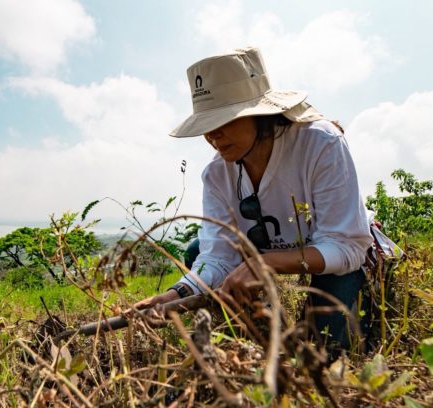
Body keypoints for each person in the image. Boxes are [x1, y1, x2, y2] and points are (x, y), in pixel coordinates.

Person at [135, 47, 373, 355]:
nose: (213, 135)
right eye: (207, 125)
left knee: (324, 350)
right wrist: (175, 294)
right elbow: (217, 256)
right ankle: (256, 326)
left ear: (259, 114)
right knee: (196, 250)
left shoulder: (320, 144)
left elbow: (346, 246)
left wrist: (265, 263)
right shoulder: (217, 174)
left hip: (325, 254)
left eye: (225, 120)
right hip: (269, 250)